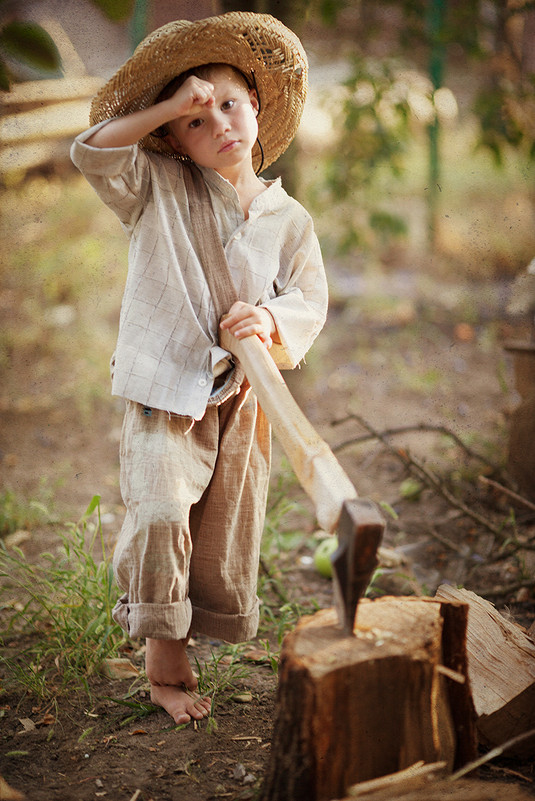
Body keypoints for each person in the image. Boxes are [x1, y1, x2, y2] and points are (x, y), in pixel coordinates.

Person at [71, 11, 328, 726]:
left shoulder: (290, 221)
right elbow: (89, 152)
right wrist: (165, 106)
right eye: (194, 117)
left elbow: (308, 299)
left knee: (220, 526)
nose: (215, 122)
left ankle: (188, 630)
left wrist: (269, 319)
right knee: (158, 507)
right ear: (172, 137)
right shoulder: (154, 182)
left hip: (239, 393)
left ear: (256, 110)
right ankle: (162, 655)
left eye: (228, 104)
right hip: (163, 383)